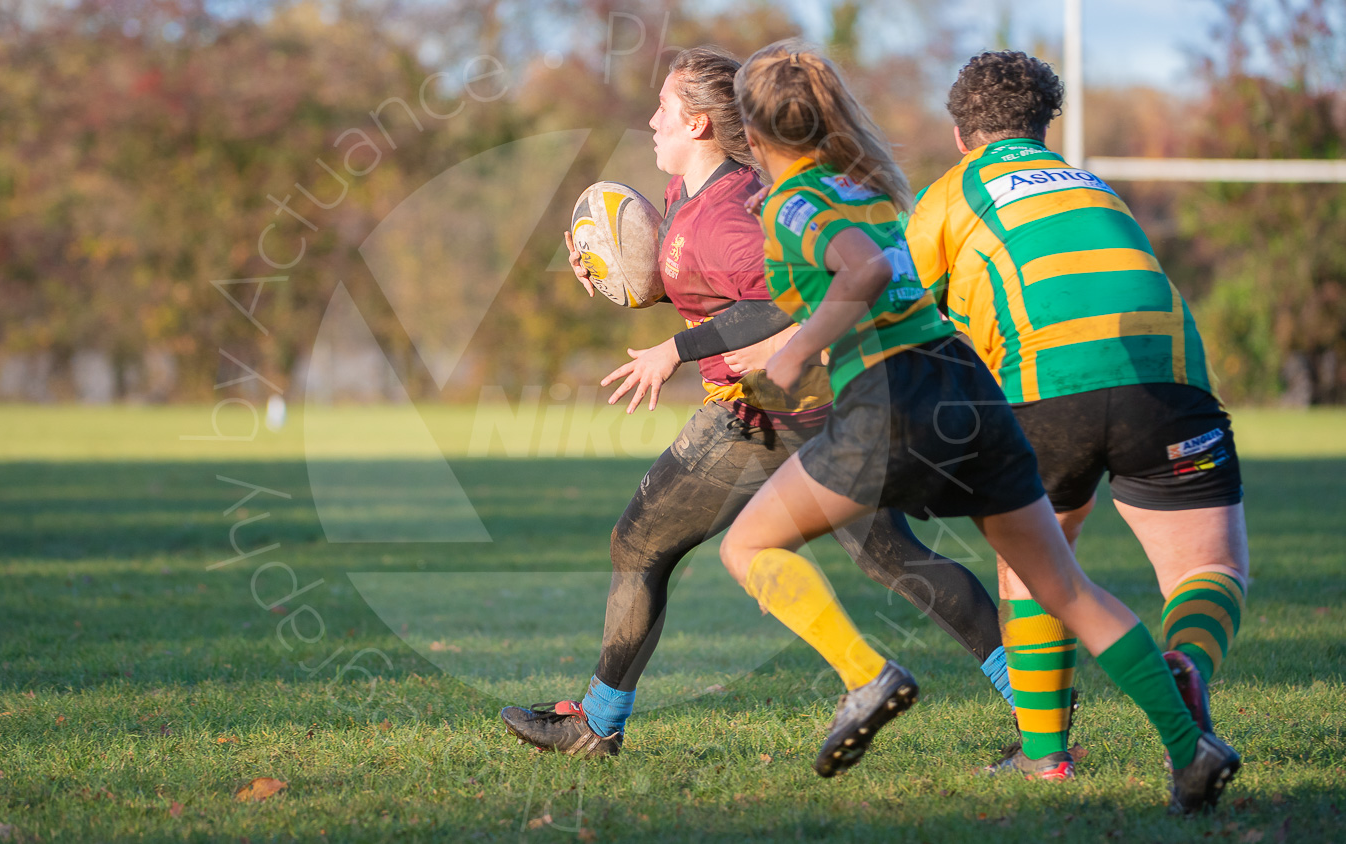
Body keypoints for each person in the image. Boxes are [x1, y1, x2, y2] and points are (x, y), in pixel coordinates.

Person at [718, 38, 1239, 813]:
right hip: (980, 389)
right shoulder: (871, 192)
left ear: (753, 133)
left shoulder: (798, 202)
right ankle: (1190, 748)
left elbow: (864, 274)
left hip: (905, 398)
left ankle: (867, 677)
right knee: (1063, 585)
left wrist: (789, 358)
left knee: (747, 545)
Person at [499, 46, 1013, 761]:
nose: (651, 121)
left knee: (639, 542)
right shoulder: (693, 194)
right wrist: (619, 274)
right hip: (823, 403)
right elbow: (710, 286)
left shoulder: (730, 215)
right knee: (891, 556)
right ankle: (1034, 695)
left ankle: (597, 723)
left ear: (699, 123)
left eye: (663, 108)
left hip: (767, 409)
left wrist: (676, 350)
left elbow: (776, 297)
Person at [889, 50, 1251, 780]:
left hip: (1044, 387)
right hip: (1170, 381)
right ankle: (1186, 663)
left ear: (960, 134)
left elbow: (897, 305)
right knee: (1209, 567)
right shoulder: (1094, 187)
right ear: (1044, 127)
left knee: (1034, 570)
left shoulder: (949, 194)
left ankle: (1045, 755)